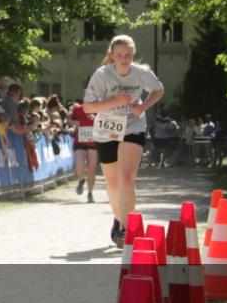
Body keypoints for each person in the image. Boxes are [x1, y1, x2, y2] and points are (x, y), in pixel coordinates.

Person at [83, 35, 164, 247]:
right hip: (107, 127)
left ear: (133, 54)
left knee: (126, 179)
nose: (124, 59)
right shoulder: (102, 74)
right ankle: (119, 218)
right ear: (112, 55)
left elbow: (159, 90)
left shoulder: (141, 73)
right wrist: (115, 101)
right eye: (119, 55)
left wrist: (142, 107)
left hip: (132, 126)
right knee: (112, 183)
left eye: (128, 55)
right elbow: (88, 106)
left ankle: (128, 229)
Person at [69, 102, 98, 203]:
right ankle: (81, 179)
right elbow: (70, 120)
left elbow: (106, 122)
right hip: (80, 141)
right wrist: (74, 123)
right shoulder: (78, 109)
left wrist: (96, 119)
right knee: (79, 164)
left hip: (94, 142)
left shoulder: (101, 109)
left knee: (91, 170)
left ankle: (90, 193)